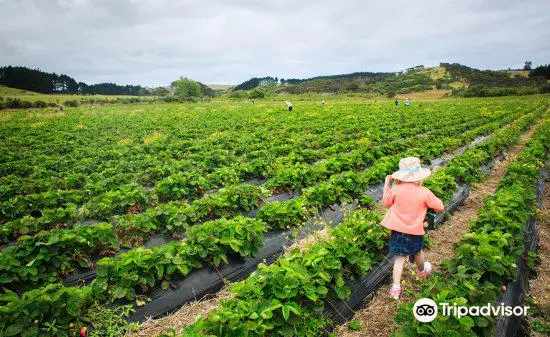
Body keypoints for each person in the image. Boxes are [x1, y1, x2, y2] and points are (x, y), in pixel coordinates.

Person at [380, 157, 444, 300]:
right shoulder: (424, 192)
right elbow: (440, 207)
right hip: (415, 231)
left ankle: (395, 288)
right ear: (418, 177)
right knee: (417, 252)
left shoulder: (396, 189)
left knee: (400, 258)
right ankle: (422, 271)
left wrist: (387, 185)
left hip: (397, 231)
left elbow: (386, 202)